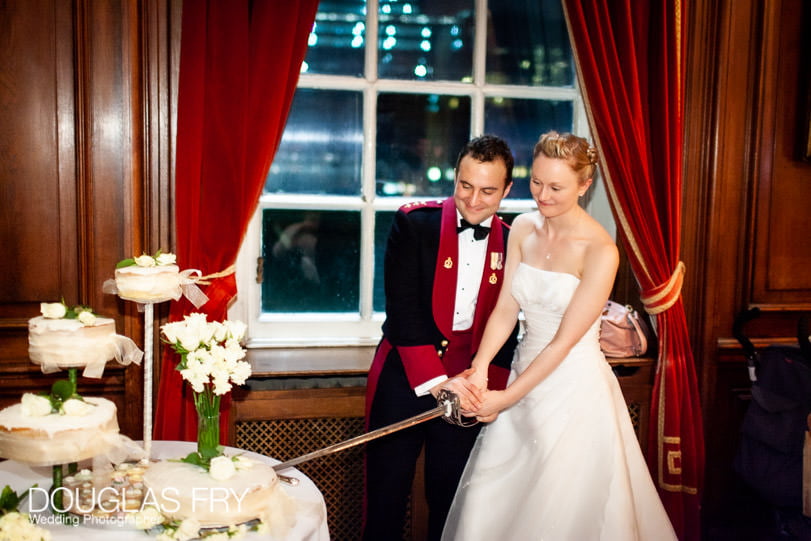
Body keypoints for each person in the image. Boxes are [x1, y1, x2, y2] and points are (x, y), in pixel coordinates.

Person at [441, 131, 677, 540]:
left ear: (585, 186)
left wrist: (505, 398)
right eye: (536, 182)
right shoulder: (522, 228)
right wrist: (479, 370)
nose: (542, 196)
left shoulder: (601, 251)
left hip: (573, 390)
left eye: (556, 187)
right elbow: (505, 310)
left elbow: (563, 343)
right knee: (497, 504)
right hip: (521, 377)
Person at [363, 135, 520, 541]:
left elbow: (510, 325)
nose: (473, 199)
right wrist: (437, 383)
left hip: (470, 383)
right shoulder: (414, 223)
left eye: (488, 190)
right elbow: (403, 312)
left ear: (507, 190)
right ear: (455, 176)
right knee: (385, 493)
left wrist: (484, 388)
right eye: (465, 185)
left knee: (451, 496)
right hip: (406, 377)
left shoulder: (516, 239)